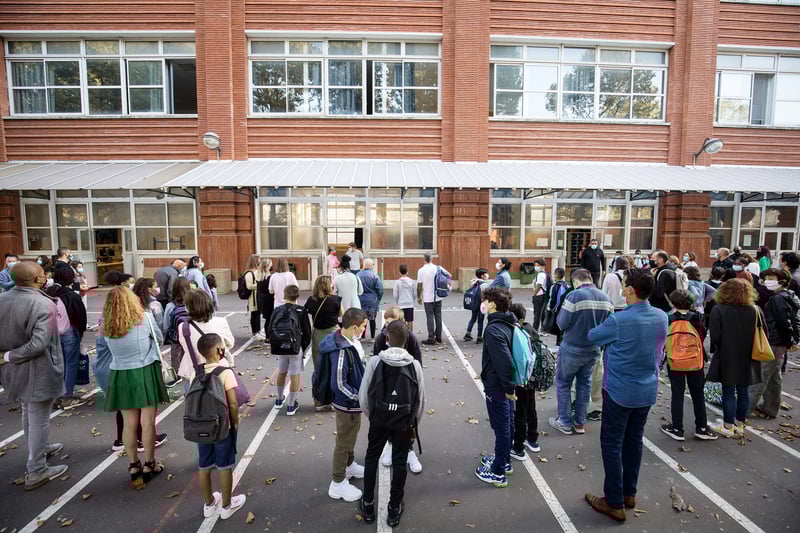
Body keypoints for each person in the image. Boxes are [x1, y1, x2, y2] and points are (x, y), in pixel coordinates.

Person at [584, 268, 668, 522]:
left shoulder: (620, 320)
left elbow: (593, 336)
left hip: (620, 391)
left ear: (630, 290)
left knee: (612, 443)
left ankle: (614, 501)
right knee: (634, 441)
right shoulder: (662, 316)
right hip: (647, 389)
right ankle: (629, 493)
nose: (621, 288)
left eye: (624, 285)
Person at [0, 261, 69, 490]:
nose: (46, 275)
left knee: (28, 411)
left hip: (12, 371)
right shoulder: (42, 303)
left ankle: (40, 449)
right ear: (37, 279)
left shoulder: (3, 298)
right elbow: (39, 344)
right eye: (42, 273)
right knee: (38, 416)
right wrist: (10, 355)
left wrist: (8, 357)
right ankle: (37, 469)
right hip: (38, 369)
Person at [359, 320, 425, 528]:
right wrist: (413, 422)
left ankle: (368, 504)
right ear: (407, 340)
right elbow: (421, 400)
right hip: (403, 422)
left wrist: (373, 416)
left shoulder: (375, 362)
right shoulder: (414, 364)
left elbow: (363, 396)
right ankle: (394, 508)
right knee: (399, 461)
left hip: (379, 419)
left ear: (387, 339)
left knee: (371, 457)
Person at [102, 286, 169, 487]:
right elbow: (159, 339)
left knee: (129, 423)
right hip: (144, 370)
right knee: (147, 422)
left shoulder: (106, 325)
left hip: (120, 373)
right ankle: (150, 463)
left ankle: (133, 464)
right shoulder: (145, 319)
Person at [550, 268, 613, 435]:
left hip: (572, 347)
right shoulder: (605, 298)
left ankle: (564, 421)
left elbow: (562, 324)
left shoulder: (574, 296)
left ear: (575, 281)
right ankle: (580, 423)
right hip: (593, 349)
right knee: (584, 385)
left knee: (564, 384)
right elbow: (609, 325)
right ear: (591, 278)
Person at [194, 333, 247, 520]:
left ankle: (208, 504)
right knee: (224, 466)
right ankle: (226, 505)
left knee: (204, 465)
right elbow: (232, 404)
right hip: (222, 426)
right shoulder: (225, 373)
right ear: (219, 350)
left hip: (202, 426)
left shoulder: (197, 371)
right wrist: (234, 423)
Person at [707, 279, 764, 437]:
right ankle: (740, 423)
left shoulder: (719, 309)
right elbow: (763, 332)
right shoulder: (756, 309)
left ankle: (728, 425)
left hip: (727, 354)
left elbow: (715, 336)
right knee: (744, 390)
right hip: (749, 355)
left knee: (728, 391)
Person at [322, 308, 368, 502]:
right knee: (343, 442)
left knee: (350, 436)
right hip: (347, 404)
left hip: (352, 404)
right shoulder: (341, 350)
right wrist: (358, 397)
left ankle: (349, 466)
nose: (365, 330)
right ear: (355, 327)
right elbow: (338, 384)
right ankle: (338, 482)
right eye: (364, 327)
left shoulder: (350, 341)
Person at [659, 290, 718, 441]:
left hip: (675, 360)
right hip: (695, 360)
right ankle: (702, 427)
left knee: (677, 393)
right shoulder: (698, 318)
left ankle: (677, 428)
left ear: (672, 303)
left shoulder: (668, 318)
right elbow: (703, 335)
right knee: (697, 393)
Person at [474, 287, 516, 488]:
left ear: (492, 304)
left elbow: (504, 362)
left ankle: (499, 471)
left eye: (485, 300)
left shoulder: (493, 329)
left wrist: (508, 388)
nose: (482, 303)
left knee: (501, 427)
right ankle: (504, 460)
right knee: (506, 424)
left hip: (498, 386)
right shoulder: (506, 321)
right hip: (502, 385)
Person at [374, 307, 424, 473]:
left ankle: (409, 450)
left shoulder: (411, 339)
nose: (388, 327)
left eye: (392, 322)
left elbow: (418, 364)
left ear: (402, 323)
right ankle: (389, 445)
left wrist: (417, 391)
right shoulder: (381, 338)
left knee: (408, 419)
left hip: (406, 388)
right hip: (387, 387)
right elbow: (376, 363)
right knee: (389, 416)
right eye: (386, 322)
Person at [750, 269, 800, 415]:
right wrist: (791, 340)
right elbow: (793, 321)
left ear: (782, 280)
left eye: (770, 278)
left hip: (774, 341)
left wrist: (790, 341)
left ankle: (745, 409)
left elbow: (783, 322)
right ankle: (770, 407)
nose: (767, 281)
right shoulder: (788, 296)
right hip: (779, 342)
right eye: (766, 278)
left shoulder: (777, 299)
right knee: (773, 377)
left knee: (761, 375)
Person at [46, 266, 88, 410]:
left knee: (58, 364)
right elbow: (81, 316)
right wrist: (80, 332)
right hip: (70, 332)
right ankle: (67, 396)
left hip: (51, 333)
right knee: (71, 364)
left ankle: (57, 395)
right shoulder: (71, 295)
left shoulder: (48, 293)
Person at [268, 285, 311, 416]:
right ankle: (291, 405)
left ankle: (279, 399)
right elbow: (307, 331)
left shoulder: (277, 309)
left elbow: (270, 327)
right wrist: (302, 346)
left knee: (281, 372)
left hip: (280, 346)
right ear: (297, 296)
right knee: (295, 374)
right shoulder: (301, 310)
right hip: (295, 346)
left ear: (284, 295)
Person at [177, 290, 235, 386]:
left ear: (188, 308)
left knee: (194, 400)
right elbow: (230, 343)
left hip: (194, 372)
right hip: (219, 370)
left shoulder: (183, 327)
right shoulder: (221, 322)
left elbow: (184, 346)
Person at [305, 275, 343, 411]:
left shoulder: (311, 300)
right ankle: (333, 399)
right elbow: (341, 314)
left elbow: (307, 311)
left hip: (317, 335)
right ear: (329, 286)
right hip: (333, 334)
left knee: (319, 368)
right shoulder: (335, 300)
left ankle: (318, 400)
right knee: (334, 368)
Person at [509, 303, 541, 460]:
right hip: (533, 376)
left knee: (519, 412)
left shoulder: (517, 333)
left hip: (522, 377)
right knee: (531, 407)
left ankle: (519, 447)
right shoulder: (531, 330)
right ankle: (533, 439)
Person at [417, 252, 451, 345]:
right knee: (438, 316)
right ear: (432, 259)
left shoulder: (421, 270)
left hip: (427, 297)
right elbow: (449, 275)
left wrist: (419, 297)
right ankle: (439, 337)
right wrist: (446, 285)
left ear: (424, 259)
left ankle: (431, 337)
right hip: (438, 296)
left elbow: (419, 285)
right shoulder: (438, 268)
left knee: (429, 317)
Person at [357, 259, 384, 340]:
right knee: (372, 320)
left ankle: (362, 336)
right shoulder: (374, 276)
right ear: (371, 266)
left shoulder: (358, 274)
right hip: (372, 301)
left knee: (362, 320)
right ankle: (372, 337)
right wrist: (378, 298)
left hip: (361, 300)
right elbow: (380, 289)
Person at [464, 268, 489, 343]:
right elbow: (485, 295)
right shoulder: (484, 285)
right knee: (480, 321)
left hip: (474, 304)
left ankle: (468, 334)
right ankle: (479, 337)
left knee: (473, 319)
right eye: (485, 274)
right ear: (482, 276)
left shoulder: (473, 282)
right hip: (481, 304)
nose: (487, 275)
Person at [243, 254, 264, 339]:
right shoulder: (249, 273)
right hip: (253, 298)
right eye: (258, 261)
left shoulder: (256, 271)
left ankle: (258, 331)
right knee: (254, 315)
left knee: (257, 314)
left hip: (257, 296)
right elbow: (249, 286)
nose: (260, 262)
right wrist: (259, 285)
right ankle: (254, 332)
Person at [393, 264, 416, 332]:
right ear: (407, 272)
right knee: (410, 321)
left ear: (399, 272)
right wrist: (412, 300)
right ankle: (410, 335)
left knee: (401, 321)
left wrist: (397, 301)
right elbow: (414, 293)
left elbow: (395, 294)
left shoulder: (397, 282)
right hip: (409, 304)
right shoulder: (411, 281)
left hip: (401, 304)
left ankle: (402, 336)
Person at [256, 258, 274, 338]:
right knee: (270, 319)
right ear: (267, 266)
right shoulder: (268, 277)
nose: (271, 266)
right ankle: (268, 336)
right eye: (270, 265)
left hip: (261, 299)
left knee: (268, 319)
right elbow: (270, 290)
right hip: (268, 300)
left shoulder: (259, 275)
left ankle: (267, 336)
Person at [531, 259, 550, 333]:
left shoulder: (541, 275)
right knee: (542, 314)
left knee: (537, 314)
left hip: (539, 296)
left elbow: (539, 285)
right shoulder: (544, 274)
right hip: (543, 295)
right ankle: (543, 329)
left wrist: (534, 295)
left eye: (538, 265)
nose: (536, 267)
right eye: (535, 265)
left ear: (543, 266)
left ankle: (534, 330)